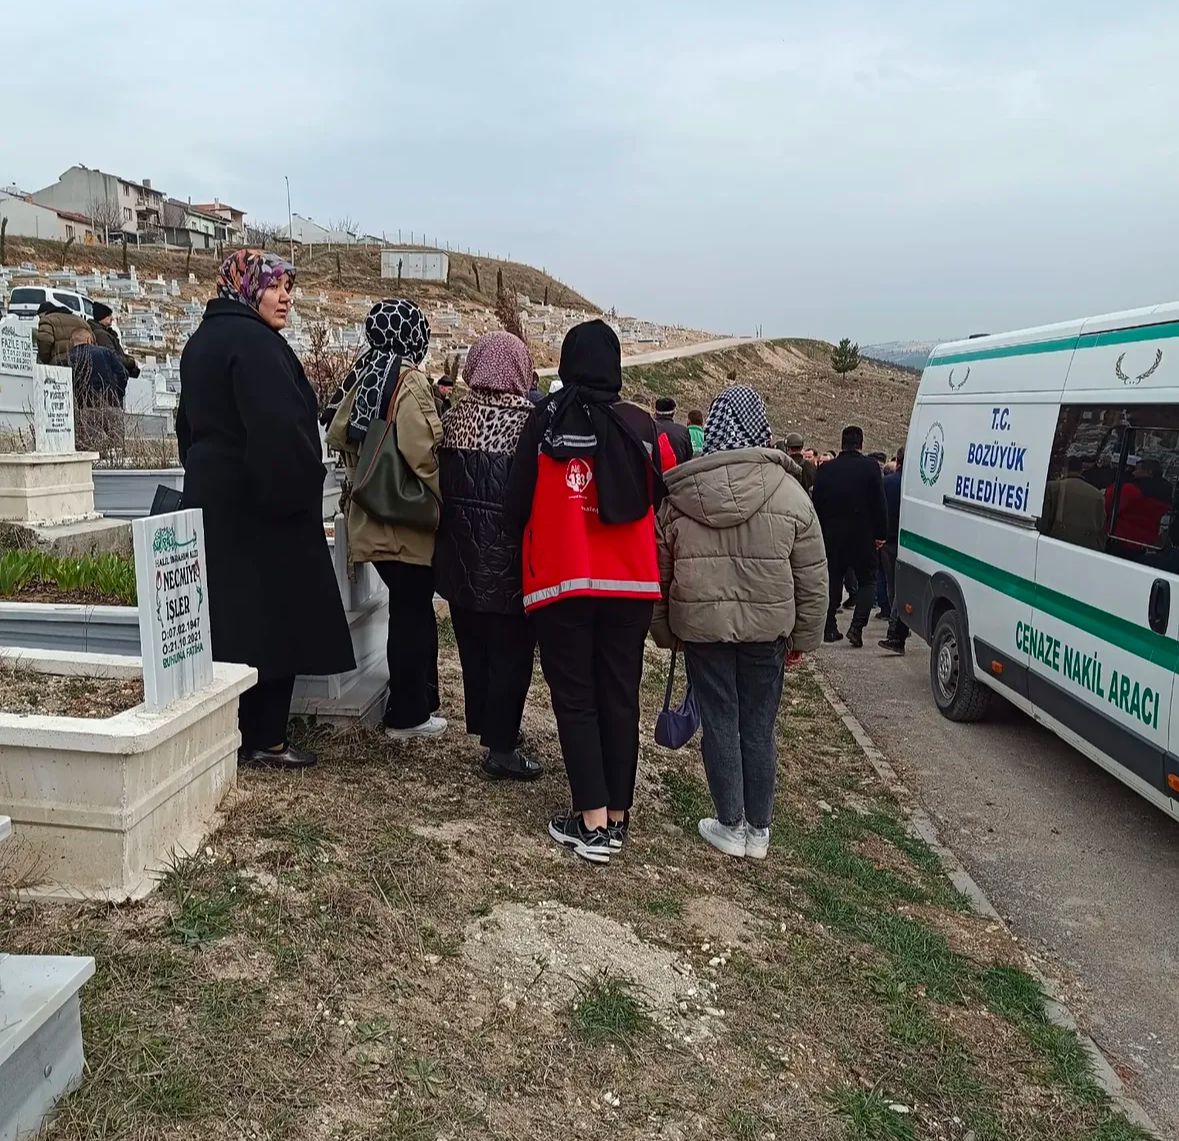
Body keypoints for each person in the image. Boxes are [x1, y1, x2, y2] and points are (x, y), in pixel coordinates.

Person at [178, 248, 355, 769]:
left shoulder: (201, 342)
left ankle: (233, 732)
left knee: (233, 622)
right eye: (274, 286)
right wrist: (298, 493)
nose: (285, 298)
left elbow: (187, 427)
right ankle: (268, 738)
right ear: (247, 288)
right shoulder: (257, 345)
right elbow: (280, 432)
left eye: (288, 288)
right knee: (277, 623)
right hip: (266, 507)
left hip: (214, 500)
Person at [505, 319, 663, 864]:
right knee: (621, 694)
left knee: (576, 697)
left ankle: (590, 822)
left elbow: (514, 502)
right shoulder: (640, 424)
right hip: (633, 581)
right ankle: (617, 814)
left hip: (564, 579)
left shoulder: (547, 418)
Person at [652, 385, 828, 859]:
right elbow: (812, 576)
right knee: (759, 726)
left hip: (702, 630)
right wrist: (804, 638)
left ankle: (729, 823)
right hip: (767, 632)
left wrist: (665, 631)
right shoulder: (791, 493)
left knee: (720, 723)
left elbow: (661, 571)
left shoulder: (681, 494)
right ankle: (759, 830)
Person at [328, 299, 446, 739]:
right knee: (413, 614)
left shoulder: (365, 374)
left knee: (407, 609)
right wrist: (443, 499)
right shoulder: (408, 380)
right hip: (404, 521)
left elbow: (341, 434)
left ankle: (414, 705)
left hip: (370, 515)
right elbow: (422, 452)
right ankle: (408, 714)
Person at [434, 332, 541, 780]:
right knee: (512, 656)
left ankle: (486, 725)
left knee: (474, 649)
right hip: (511, 562)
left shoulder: (453, 419)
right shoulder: (531, 424)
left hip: (460, 558)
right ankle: (501, 747)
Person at [812, 425, 887, 647]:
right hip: (863, 536)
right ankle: (857, 626)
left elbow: (816, 504)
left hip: (832, 536)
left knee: (833, 579)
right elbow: (879, 503)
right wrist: (880, 534)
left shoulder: (826, 469)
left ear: (841, 443)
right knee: (867, 580)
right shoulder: (870, 467)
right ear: (861, 444)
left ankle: (829, 626)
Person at [878, 447, 911, 654]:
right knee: (903, 587)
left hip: (888, 541)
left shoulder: (887, 483)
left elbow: (880, 510)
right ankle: (900, 625)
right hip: (909, 541)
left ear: (897, 461)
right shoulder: (915, 485)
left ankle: (896, 628)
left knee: (893, 586)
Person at [1105, 457, 1172, 556]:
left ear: (1149, 472)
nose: (1133, 473)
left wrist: (1120, 482)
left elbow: (1109, 504)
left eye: (1137, 469)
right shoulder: (1167, 492)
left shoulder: (1133, 489)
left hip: (1121, 538)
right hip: (1147, 542)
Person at [1039, 455, 1107, 551]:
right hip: (1088, 549)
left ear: (1064, 469)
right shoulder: (1098, 495)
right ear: (1081, 470)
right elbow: (1101, 530)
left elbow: (1043, 523)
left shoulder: (1053, 487)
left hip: (1056, 544)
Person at [88, 302, 140, 378]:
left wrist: (130, 359)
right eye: (109, 316)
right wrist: (131, 362)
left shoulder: (105, 332)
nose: (112, 318)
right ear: (102, 317)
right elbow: (112, 356)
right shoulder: (102, 335)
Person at [654, 396, 693, 466]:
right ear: (673, 413)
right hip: (678, 471)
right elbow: (689, 457)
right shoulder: (683, 431)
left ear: (656, 412)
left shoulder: (648, 429)